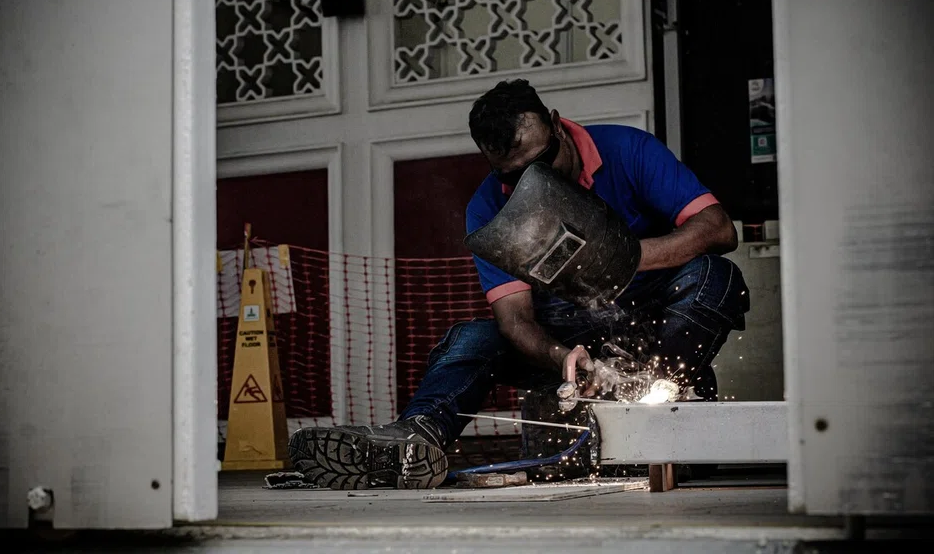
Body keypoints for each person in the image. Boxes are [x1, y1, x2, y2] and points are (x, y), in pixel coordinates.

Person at [289, 79, 750, 490]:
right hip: (569, 336)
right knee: (471, 339)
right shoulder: (489, 210)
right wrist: (560, 356)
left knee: (715, 275)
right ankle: (415, 439)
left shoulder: (628, 150)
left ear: (557, 125)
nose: (536, 180)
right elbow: (515, 321)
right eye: (514, 175)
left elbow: (719, 229)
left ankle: (660, 389)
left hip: (655, 322)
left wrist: (624, 258)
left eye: (543, 161)